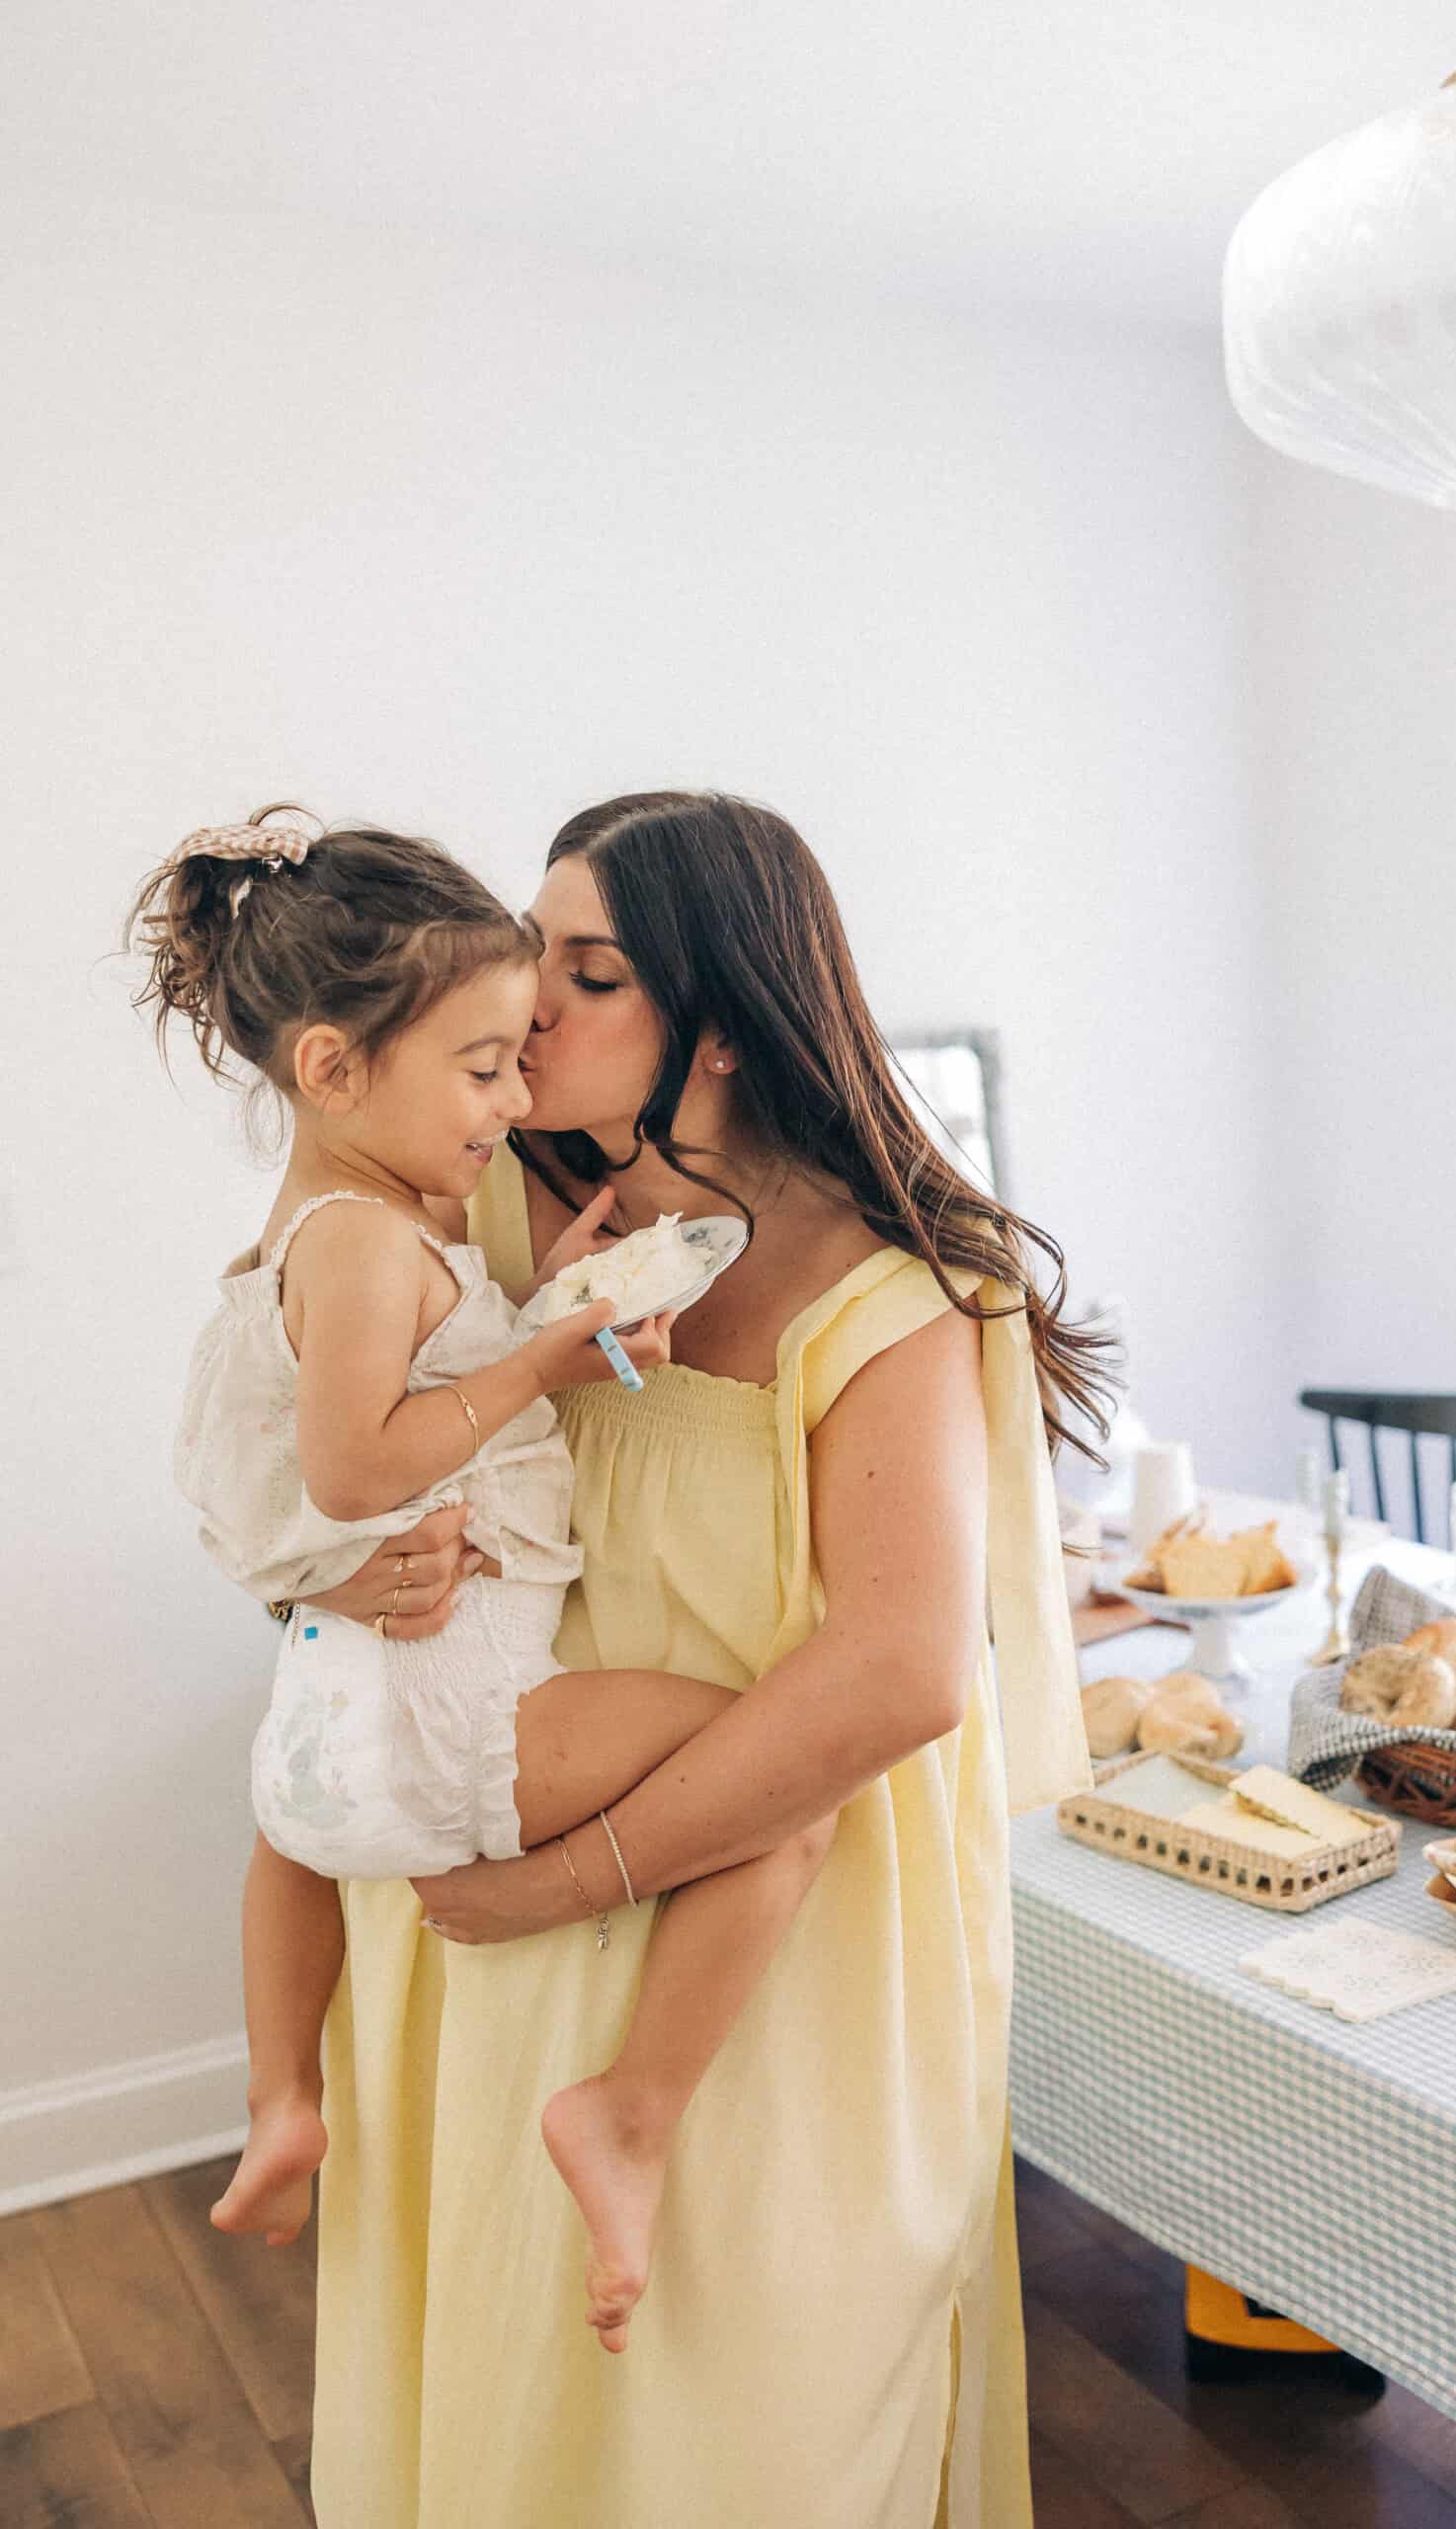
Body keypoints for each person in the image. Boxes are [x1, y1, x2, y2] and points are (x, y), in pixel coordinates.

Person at [296, 791, 1106, 2529]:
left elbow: (898, 1676)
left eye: (587, 974)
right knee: (519, 2401)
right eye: (533, 952)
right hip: (498, 1847)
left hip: (770, 1928)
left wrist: (566, 1878)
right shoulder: (480, 1204)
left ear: (724, 1028)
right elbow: (298, 1456)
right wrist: (350, 1562)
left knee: (750, 2424)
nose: (528, 1003)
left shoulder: (887, 1295)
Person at [133, 810, 851, 2349]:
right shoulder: (361, 1244)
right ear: (334, 1070)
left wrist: (540, 1310)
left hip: (330, 1735)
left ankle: (282, 2098)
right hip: (458, 1716)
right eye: (481, 1069)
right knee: (779, 1788)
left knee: (292, 1843)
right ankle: (630, 2114)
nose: (515, 1097)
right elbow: (359, 1469)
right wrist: (540, 1355)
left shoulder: (351, 1229)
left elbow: (354, 1450)